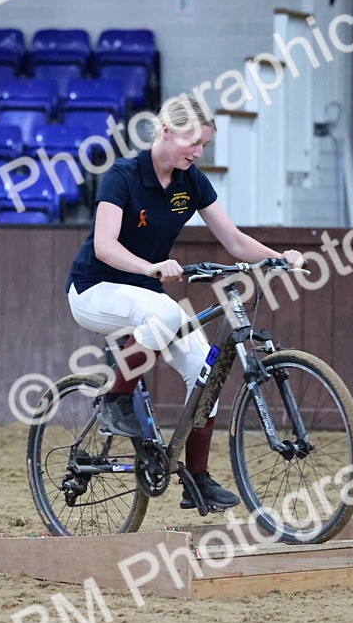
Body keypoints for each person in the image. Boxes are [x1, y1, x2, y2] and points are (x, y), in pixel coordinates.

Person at [65, 95, 303, 511]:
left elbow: (233, 241)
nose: (198, 151)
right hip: (94, 289)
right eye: (192, 141)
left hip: (144, 294)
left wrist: (278, 258)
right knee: (161, 312)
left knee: (204, 369)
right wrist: (152, 267)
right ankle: (117, 399)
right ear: (165, 131)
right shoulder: (122, 175)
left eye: (205, 145)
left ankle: (196, 479)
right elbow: (103, 247)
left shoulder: (191, 181)